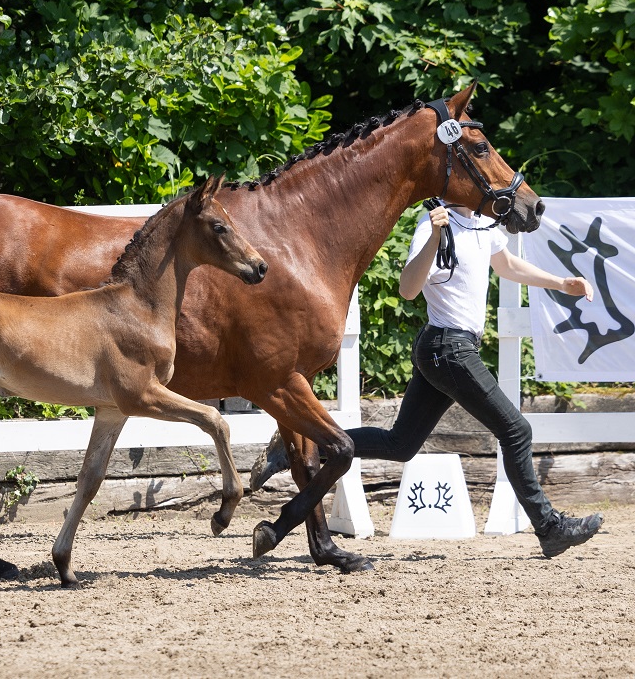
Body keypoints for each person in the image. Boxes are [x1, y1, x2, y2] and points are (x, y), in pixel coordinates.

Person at [251, 201, 603, 557]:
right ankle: (549, 527)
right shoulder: (433, 224)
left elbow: (506, 264)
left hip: (448, 347)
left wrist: (560, 283)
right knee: (516, 430)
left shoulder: (481, 222)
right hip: (447, 348)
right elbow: (407, 288)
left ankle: (301, 444)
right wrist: (435, 235)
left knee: (400, 445)